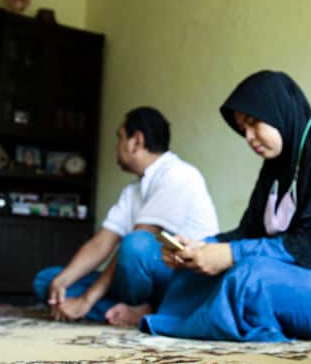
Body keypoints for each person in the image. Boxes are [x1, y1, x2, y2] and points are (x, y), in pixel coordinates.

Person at [136, 70, 311, 342]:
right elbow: (249, 232)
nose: (249, 137)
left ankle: (187, 321)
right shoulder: (277, 167)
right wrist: (201, 247)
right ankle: (166, 315)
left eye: (254, 123)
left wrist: (229, 254)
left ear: (279, 111)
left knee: (251, 278)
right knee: (198, 273)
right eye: (243, 129)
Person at [33, 107, 219, 325]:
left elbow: (137, 244)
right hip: (138, 282)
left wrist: (86, 299)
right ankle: (136, 312)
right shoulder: (133, 190)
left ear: (136, 141)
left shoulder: (179, 175)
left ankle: (149, 309)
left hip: (182, 281)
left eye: (120, 138)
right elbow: (101, 243)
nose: (117, 147)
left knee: (135, 244)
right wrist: (63, 280)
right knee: (47, 281)